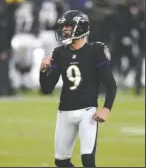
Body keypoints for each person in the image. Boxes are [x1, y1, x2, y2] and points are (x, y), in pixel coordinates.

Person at [39, 10, 117, 167]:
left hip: (87, 112)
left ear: (80, 27)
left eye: (68, 26)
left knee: (87, 160)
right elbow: (47, 89)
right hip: (64, 111)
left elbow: (111, 84)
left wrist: (106, 109)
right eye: (64, 26)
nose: (64, 30)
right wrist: (42, 72)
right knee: (61, 161)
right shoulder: (59, 52)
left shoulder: (95, 50)